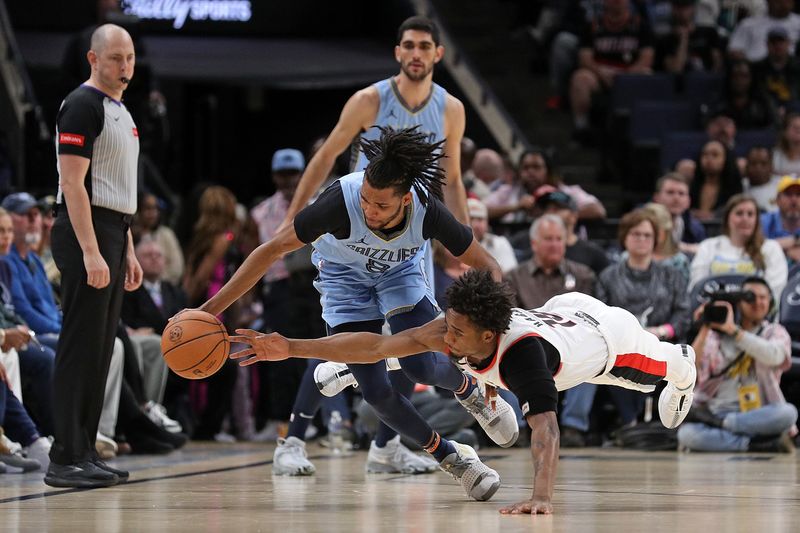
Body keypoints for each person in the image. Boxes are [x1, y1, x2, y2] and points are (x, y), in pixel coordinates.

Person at [198, 127, 515, 500]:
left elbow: (488, 265)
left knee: (421, 366)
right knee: (376, 393)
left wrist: (487, 314)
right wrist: (208, 311)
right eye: (366, 200)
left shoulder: (427, 209)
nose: (369, 210)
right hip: (343, 279)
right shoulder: (338, 203)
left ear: (406, 199)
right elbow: (269, 252)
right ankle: (452, 458)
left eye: (381, 206)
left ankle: (469, 389)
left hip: (399, 275)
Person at [229, 270, 698, 514]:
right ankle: (351, 373)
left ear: (489, 336)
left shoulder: (524, 359)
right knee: (405, 353)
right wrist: (287, 346)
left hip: (607, 342)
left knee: (661, 369)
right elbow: (378, 344)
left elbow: (548, 431)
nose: (446, 338)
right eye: (447, 327)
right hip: (563, 310)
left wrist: (542, 497)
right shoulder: (464, 325)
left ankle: (685, 368)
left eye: (457, 333)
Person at [45, 23, 143, 488]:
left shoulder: (119, 110)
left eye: (129, 58)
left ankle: (84, 450)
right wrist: (91, 250)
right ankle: (64, 456)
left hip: (112, 232)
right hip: (86, 232)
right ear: (93, 59)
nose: (125, 67)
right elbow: (73, 185)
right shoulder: (82, 104)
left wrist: (127, 249)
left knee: (100, 351)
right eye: (115, 59)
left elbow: (116, 190)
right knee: (78, 346)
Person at [281, 16, 468, 225]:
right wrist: (290, 218)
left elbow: (451, 181)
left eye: (424, 46)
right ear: (398, 52)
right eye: (409, 46)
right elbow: (326, 157)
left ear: (438, 53)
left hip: (413, 224)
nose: (416, 54)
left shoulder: (452, 110)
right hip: (364, 217)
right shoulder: (368, 101)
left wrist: (467, 239)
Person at [561, 208, 692, 446]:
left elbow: (684, 313)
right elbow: (597, 314)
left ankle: (658, 425)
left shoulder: (671, 275)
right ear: (625, 238)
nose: (641, 240)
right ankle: (630, 424)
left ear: (656, 240)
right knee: (611, 357)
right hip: (620, 343)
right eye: (636, 234)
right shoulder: (609, 276)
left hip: (662, 338)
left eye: (647, 235)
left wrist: (664, 330)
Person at [679, 277, 797, 453]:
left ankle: (727, 431)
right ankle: (755, 444)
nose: (757, 302)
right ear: (739, 303)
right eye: (750, 297)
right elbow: (691, 368)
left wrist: (734, 331)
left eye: (763, 297)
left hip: (759, 412)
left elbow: (775, 356)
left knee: (788, 413)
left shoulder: (774, 331)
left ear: (771, 302)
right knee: (687, 434)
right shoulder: (715, 336)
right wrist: (704, 327)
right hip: (719, 411)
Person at [690, 194, 788, 299]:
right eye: (739, 213)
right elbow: (697, 286)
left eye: (750, 214)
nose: (745, 219)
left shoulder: (771, 248)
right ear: (727, 218)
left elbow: (775, 290)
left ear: (757, 220)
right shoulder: (708, 246)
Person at [504, 214, 595, 309]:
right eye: (548, 239)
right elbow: (512, 317)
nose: (554, 245)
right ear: (534, 244)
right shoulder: (514, 278)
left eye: (559, 239)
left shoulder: (583, 275)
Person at [652, 172, 706, 254]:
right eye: (670, 192)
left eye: (681, 193)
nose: (676, 198)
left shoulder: (697, 229)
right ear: (657, 198)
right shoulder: (640, 223)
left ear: (688, 201)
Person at [467, 198, 517, 274]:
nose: (475, 225)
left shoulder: (500, 243)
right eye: (471, 219)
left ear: (487, 223)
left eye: (480, 219)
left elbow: (511, 274)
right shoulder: (452, 245)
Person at [761, 175, 800, 264]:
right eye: (788, 194)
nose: (794, 200)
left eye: (798, 194)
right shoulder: (764, 221)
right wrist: (793, 242)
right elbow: (754, 248)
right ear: (777, 200)